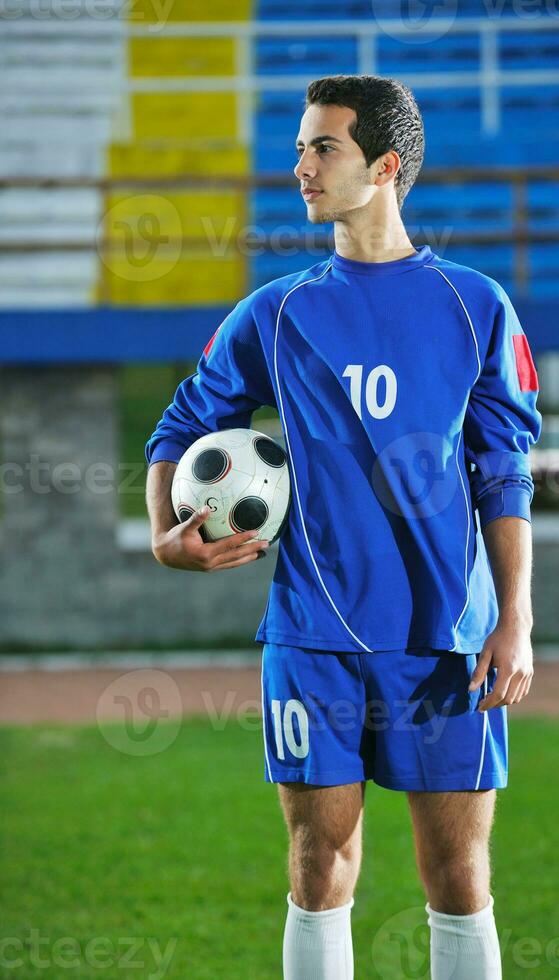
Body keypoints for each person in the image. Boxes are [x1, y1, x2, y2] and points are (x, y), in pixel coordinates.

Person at [145, 75, 542, 980]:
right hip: (313, 636)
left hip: (448, 640)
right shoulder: (276, 312)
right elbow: (177, 427)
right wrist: (166, 530)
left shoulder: (473, 304)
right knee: (318, 869)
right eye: (297, 149)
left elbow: (503, 471)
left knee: (458, 875)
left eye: (322, 148)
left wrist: (515, 620)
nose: (300, 168)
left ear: (386, 166)